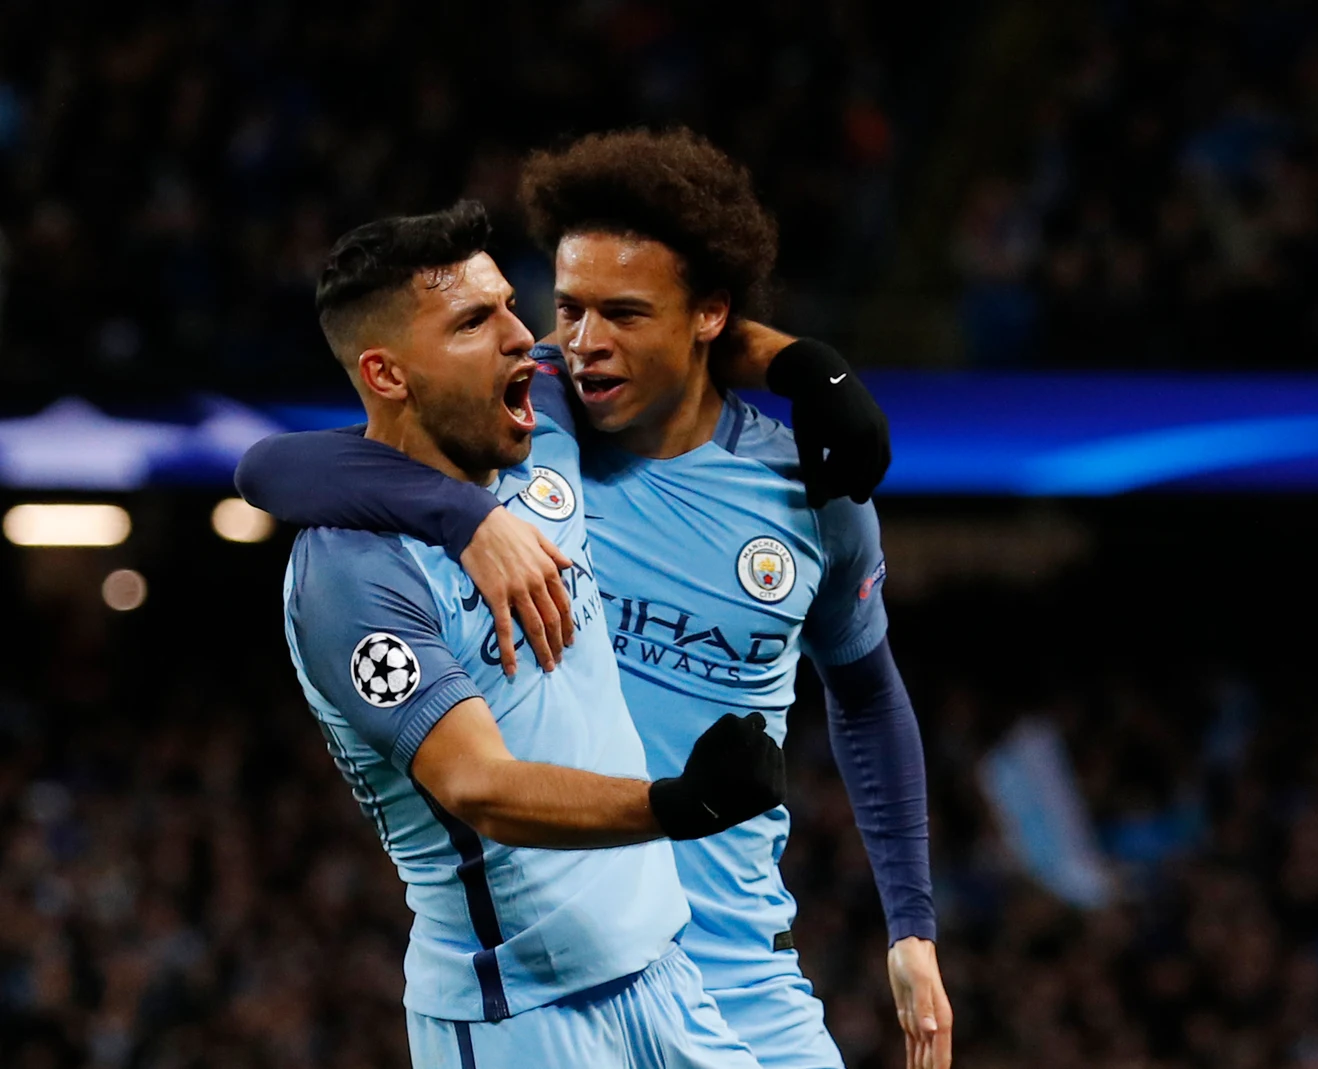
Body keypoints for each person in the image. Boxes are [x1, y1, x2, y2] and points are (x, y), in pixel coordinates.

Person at [240, 128, 952, 1069]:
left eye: (615, 314)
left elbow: (867, 692)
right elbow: (269, 463)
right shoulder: (485, 471)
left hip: (713, 975)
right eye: (563, 311)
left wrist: (805, 365)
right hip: (530, 995)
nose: (562, 344)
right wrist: (461, 516)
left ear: (706, 316)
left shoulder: (784, 492)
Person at [284, 199, 790, 1068]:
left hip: (666, 972)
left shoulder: (541, 426)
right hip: (520, 1014)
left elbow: (675, 338)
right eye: (475, 321)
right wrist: (675, 803)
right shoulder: (352, 577)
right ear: (388, 372)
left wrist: (812, 372)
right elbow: (478, 783)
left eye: (511, 305)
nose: (525, 337)